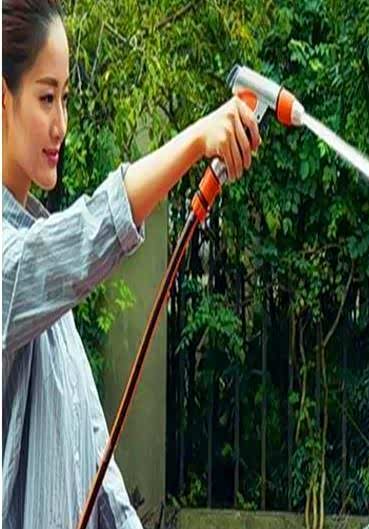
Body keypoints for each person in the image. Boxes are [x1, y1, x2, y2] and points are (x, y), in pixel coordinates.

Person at [2, 1, 261, 527]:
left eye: (66, 98)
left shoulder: (44, 283)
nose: (61, 124)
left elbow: (95, 459)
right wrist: (195, 141)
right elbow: (81, 239)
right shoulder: (19, 267)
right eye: (46, 98)